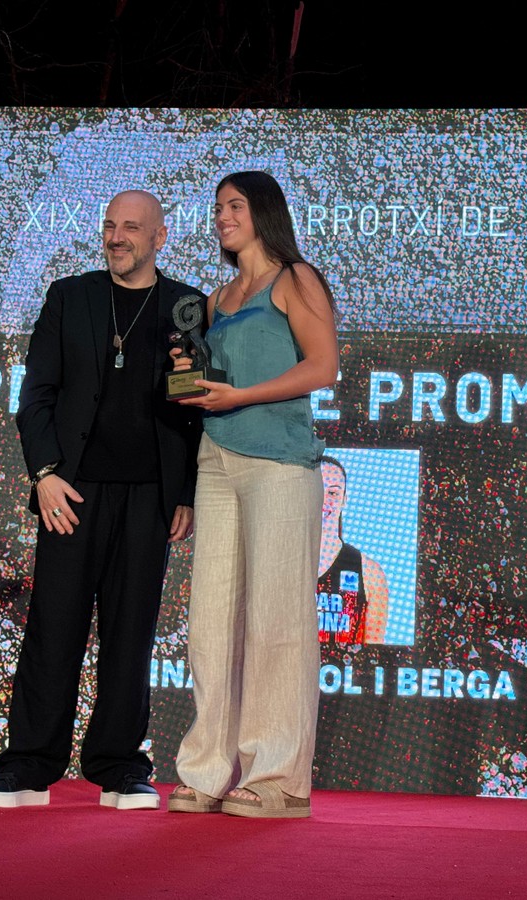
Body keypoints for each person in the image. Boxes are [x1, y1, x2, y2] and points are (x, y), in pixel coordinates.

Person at [0, 190, 203, 810]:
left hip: (150, 497)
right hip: (70, 492)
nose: (116, 237)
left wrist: (185, 492)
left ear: (159, 237)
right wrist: (44, 474)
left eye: (131, 227)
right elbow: (37, 396)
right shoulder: (69, 296)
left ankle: (120, 766)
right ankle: (27, 766)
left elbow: (192, 411)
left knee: (132, 634)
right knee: (54, 627)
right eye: (109, 226)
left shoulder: (187, 305)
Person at [166, 171, 338, 819]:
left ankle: (278, 779)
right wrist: (186, 379)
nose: (222, 217)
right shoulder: (216, 298)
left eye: (234, 206)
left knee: (276, 618)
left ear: (263, 212)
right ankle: (207, 770)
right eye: (217, 208)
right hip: (216, 458)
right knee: (210, 620)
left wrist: (241, 395)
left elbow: (323, 366)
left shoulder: (296, 279)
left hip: (280, 462)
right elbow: (207, 381)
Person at [317, 456, 390, 644]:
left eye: (332, 493)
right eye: (315, 489)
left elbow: (373, 655)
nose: (323, 500)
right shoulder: (277, 566)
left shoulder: (371, 574)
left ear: (344, 500)